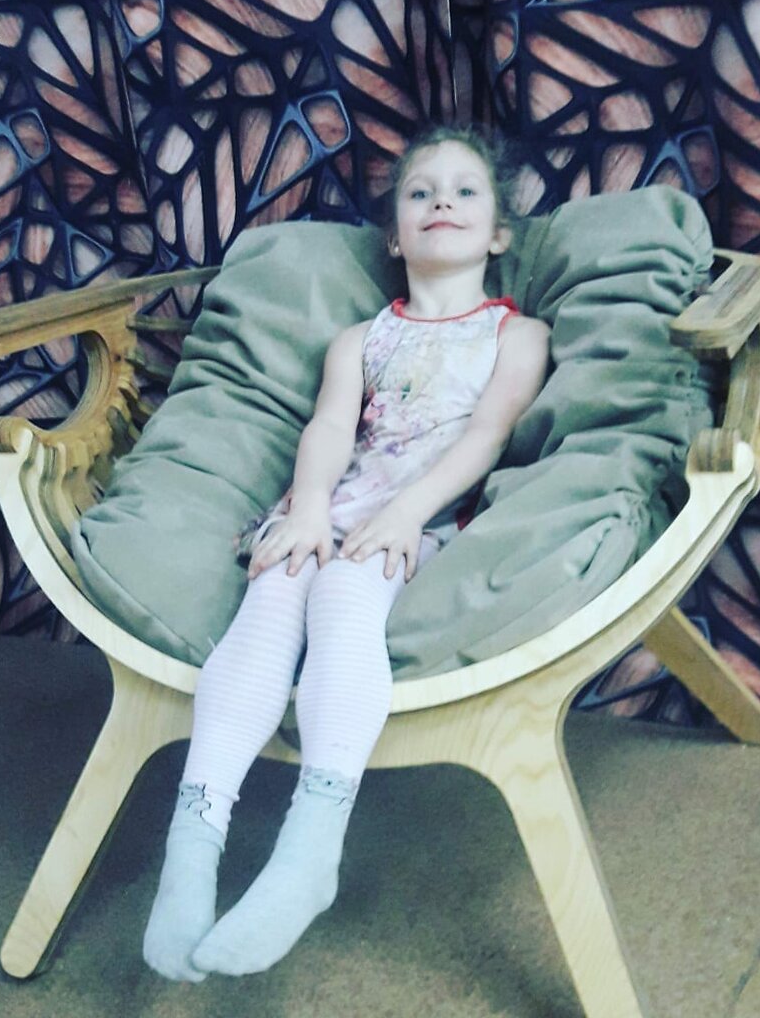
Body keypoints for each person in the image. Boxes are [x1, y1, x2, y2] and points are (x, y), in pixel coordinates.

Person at [142, 124, 551, 982]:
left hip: (419, 518)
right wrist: (307, 513)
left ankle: (309, 847)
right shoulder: (359, 339)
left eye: (465, 191)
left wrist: (404, 514)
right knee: (275, 592)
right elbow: (330, 430)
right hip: (335, 506)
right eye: (420, 193)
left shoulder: (516, 336)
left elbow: (485, 434)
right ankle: (194, 845)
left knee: (342, 593)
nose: (442, 202)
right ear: (395, 236)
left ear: (499, 234)